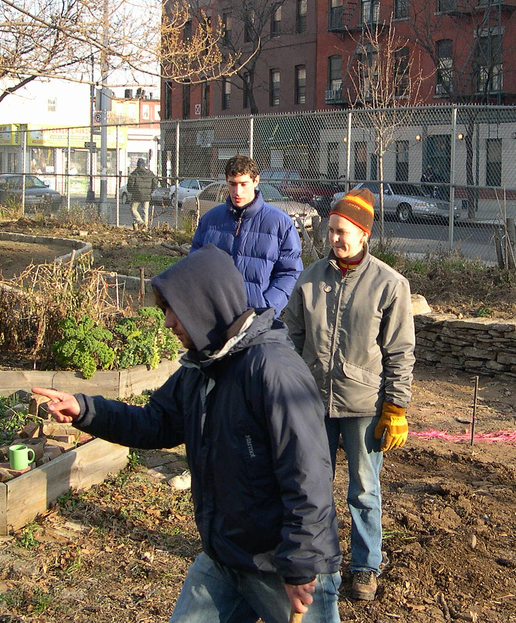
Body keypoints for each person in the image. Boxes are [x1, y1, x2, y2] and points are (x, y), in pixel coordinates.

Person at [33, 245, 342, 623]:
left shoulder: (272, 371)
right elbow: (155, 423)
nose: (166, 323)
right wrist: (86, 410)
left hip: (281, 566)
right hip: (225, 556)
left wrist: (301, 563)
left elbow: (308, 474)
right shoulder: (202, 368)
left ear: (203, 304)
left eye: (171, 310)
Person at [283, 187, 415, 602]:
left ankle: (365, 567)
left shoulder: (389, 284)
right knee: (312, 487)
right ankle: (317, 562)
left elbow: (399, 351)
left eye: (343, 231)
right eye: (331, 230)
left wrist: (395, 406)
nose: (335, 238)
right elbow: (290, 337)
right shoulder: (310, 279)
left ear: (363, 235)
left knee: (363, 489)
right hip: (312, 403)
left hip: (363, 405)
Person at [191, 154, 302, 316]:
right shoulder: (209, 220)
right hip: (214, 316)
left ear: (256, 181)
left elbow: (290, 272)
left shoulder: (280, 223)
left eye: (244, 184)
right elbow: (195, 266)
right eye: (232, 184)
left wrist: (268, 306)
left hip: (257, 319)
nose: (237, 191)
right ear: (226, 181)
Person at [127, 158, 157, 229]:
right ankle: (145, 228)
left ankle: (140, 222)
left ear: (137, 165)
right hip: (147, 195)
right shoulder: (150, 173)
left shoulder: (134, 173)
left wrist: (132, 191)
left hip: (136, 195)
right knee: (145, 211)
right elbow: (155, 183)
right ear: (144, 165)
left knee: (133, 209)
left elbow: (130, 184)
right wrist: (150, 191)